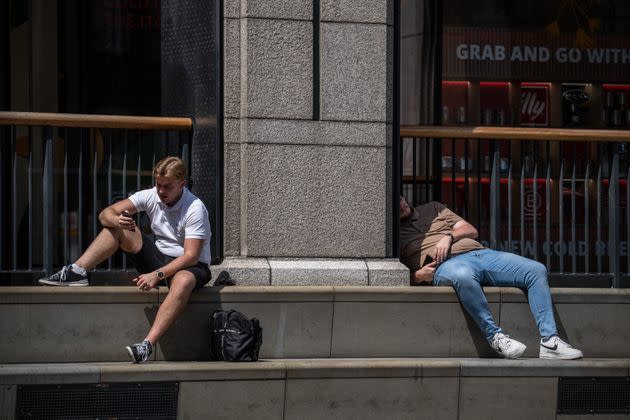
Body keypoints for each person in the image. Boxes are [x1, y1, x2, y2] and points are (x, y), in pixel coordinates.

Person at [38, 156, 212, 364]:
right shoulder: (150, 196)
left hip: (191, 266)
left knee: (183, 280)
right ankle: (77, 271)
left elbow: (191, 256)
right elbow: (105, 214)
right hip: (160, 258)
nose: (162, 191)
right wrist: (117, 219)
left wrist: (157, 275)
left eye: (168, 187)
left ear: (182, 184)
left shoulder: (195, 208)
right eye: (158, 185)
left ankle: (146, 345)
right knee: (117, 227)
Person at [399, 196, 582, 360]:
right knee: (463, 275)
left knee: (535, 270)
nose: (400, 203)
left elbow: (470, 230)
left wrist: (448, 237)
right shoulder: (394, 234)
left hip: (481, 254)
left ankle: (550, 342)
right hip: (446, 265)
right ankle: (495, 337)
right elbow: (391, 274)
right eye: (393, 202)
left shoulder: (433, 208)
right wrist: (417, 276)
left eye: (400, 197)